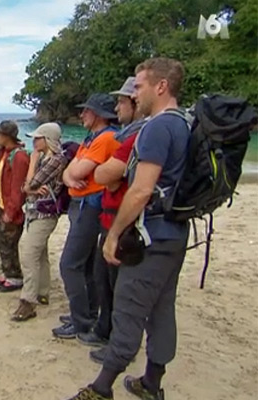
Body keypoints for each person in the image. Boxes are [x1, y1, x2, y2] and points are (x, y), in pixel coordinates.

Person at [67, 57, 191, 400]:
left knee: (128, 308)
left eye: (138, 86)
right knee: (163, 308)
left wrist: (113, 234)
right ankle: (151, 382)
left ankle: (101, 387)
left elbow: (141, 189)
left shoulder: (157, 127)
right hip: (175, 232)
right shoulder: (185, 123)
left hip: (149, 235)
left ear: (161, 86)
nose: (134, 95)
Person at [81, 77, 148, 353]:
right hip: (111, 218)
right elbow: (104, 175)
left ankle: (119, 344)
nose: (116, 107)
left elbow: (105, 174)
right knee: (104, 279)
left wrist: (106, 174)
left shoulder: (135, 135)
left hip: (124, 223)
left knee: (120, 286)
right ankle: (104, 330)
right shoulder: (128, 134)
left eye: (122, 101)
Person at [54, 93, 120, 340]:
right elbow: (68, 171)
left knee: (69, 263)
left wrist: (71, 175)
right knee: (87, 264)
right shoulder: (93, 138)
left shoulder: (105, 138)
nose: (81, 115)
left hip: (89, 206)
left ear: (100, 115)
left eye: (87, 111)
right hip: (84, 203)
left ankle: (81, 320)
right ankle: (88, 312)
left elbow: (77, 169)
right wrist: (70, 177)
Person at [10, 123, 68, 321]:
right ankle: (42, 292)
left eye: (37, 138)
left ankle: (28, 301)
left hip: (45, 214)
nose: (33, 142)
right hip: (37, 211)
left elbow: (30, 183)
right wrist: (30, 188)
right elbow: (28, 187)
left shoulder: (55, 160)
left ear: (48, 139)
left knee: (28, 252)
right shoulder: (48, 158)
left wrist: (33, 163)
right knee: (39, 253)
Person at [0, 120, 29, 292]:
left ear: (7, 136)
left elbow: (17, 187)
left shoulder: (18, 156)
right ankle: (8, 272)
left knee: (9, 242)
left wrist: (12, 209)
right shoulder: (5, 153)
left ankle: (14, 276)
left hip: (10, 206)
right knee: (4, 241)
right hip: (2, 203)